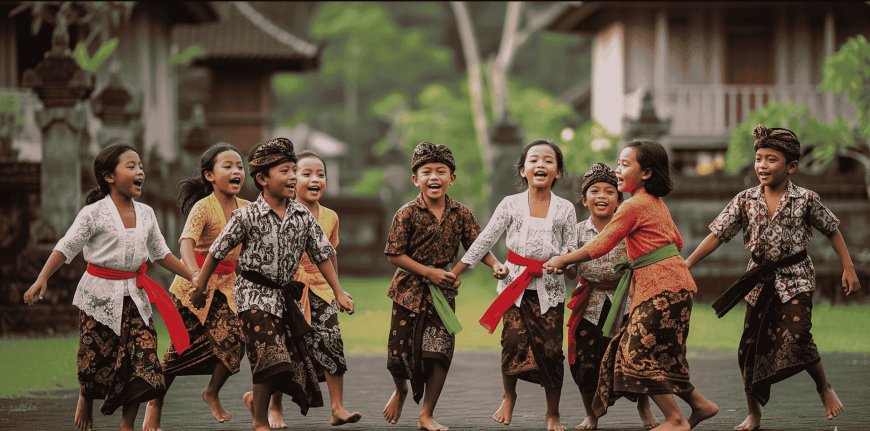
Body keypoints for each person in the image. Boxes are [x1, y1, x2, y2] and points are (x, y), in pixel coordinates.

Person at [684, 124, 860, 431]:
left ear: (791, 166)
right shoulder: (745, 199)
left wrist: (848, 267)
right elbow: (717, 235)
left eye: (771, 160)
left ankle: (824, 386)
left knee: (799, 334)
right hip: (758, 279)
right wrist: (687, 263)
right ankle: (754, 413)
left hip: (796, 276)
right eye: (759, 159)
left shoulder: (806, 199)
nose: (762, 166)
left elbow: (832, 230)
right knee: (747, 348)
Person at [543, 140, 718, 431]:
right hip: (674, 286)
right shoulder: (654, 203)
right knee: (660, 353)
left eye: (625, 164)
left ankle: (675, 420)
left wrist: (563, 259)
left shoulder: (634, 204)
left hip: (661, 288)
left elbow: (600, 244)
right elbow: (677, 241)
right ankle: (699, 404)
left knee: (633, 353)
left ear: (646, 172)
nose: (618, 169)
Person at [23, 143, 194, 431]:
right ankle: (85, 395)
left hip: (136, 298)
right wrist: (42, 278)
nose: (140, 171)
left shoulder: (148, 213)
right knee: (95, 362)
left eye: (140, 166)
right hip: (97, 297)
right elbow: (67, 247)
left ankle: (127, 425)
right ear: (109, 177)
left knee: (145, 362)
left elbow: (162, 253)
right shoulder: (93, 213)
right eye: (131, 166)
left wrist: (193, 275)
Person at [191, 137, 354, 431]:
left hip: (284, 295)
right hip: (252, 293)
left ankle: (260, 403)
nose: (293, 177)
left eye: (294, 170)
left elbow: (323, 255)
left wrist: (338, 291)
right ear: (263, 179)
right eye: (285, 171)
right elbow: (216, 251)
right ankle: (259, 421)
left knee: (285, 357)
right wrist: (201, 288)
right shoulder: (246, 215)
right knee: (267, 352)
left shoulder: (302, 215)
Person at [453, 139, 577, 431]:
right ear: (523, 170)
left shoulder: (566, 208)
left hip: (550, 290)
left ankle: (552, 413)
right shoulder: (510, 203)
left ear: (558, 172)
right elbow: (485, 239)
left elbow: (571, 247)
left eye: (548, 161)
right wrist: (458, 270)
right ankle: (509, 396)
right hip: (514, 287)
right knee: (510, 343)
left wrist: (564, 263)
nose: (541, 165)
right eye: (534, 160)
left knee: (551, 352)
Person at [382, 142, 499, 431]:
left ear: (452, 178)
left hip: (442, 295)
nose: (434, 177)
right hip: (408, 291)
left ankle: (426, 414)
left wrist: (495, 264)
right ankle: (401, 389)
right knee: (398, 356)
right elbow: (394, 253)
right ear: (416, 179)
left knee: (439, 352)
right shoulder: (406, 213)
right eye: (426, 172)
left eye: (441, 171)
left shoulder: (461, 213)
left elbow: (478, 244)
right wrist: (427, 272)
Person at [142, 143, 249, 430]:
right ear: (210, 175)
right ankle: (155, 401)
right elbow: (186, 244)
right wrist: (195, 276)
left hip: (227, 288)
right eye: (227, 166)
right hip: (191, 288)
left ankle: (211, 391)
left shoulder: (249, 210)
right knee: (179, 348)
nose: (236, 171)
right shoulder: (203, 208)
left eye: (239, 166)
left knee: (236, 340)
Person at [268, 151, 361, 429]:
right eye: (306, 173)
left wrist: (339, 291)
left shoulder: (330, 216)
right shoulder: (279, 212)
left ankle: (337, 408)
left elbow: (330, 255)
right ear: (292, 179)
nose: (314, 179)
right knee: (284, 349)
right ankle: (273, 406)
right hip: (288, 289)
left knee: (332, 341)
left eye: (320, 174)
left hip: (322, 288)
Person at [564, 163, 657, 430]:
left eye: (609, 191)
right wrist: (566, 262)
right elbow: (570, 272)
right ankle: (591, 414)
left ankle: (644, 407)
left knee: (635, 356)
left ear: (619, 199)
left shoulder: (629, 228)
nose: (602, 196)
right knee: (584, 361)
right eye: (595, 191)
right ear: (584, 199)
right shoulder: (577, 231)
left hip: (626, 301)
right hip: (590, 302)